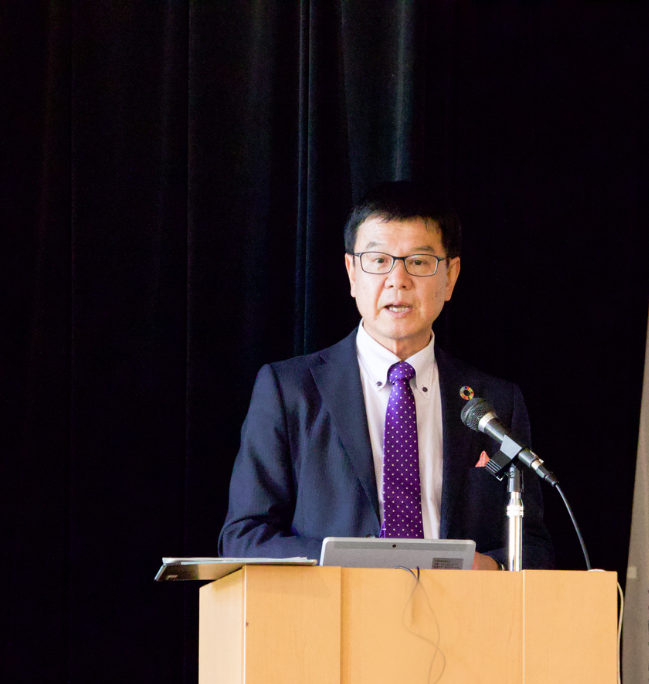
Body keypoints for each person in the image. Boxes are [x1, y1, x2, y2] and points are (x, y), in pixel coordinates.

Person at [219, 181, 555, 569]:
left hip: (459, 617)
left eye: (419, 261)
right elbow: (244, 536)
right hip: (329, 617)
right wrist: (353, 563)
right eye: (378, 261)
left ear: (451, 277)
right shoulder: (289, 390)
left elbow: (533, 545)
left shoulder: (495, 402)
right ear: (351, 273)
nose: (398, 280)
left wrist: (490, 567)